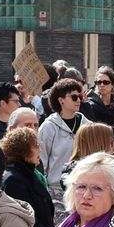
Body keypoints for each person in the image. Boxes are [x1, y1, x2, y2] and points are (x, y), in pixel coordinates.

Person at [39, 77, 88, 213]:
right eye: (73, 97)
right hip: (56, 191)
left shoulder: (87, 125)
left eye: (79, 96)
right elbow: (41, 161)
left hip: (83, 189)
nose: (78, 100)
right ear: (61, 100)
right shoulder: (48, 127)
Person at [0, 127, 55, 227]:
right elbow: (26, 218)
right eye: (36, 146)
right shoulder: (13, 180)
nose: (40, 150)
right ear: (24, 150)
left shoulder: (26, 173)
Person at [82, 65, 114, 134]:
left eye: (106, 82)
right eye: (98, 82)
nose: (102, 85)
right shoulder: (91, 105)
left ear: (113, 84)